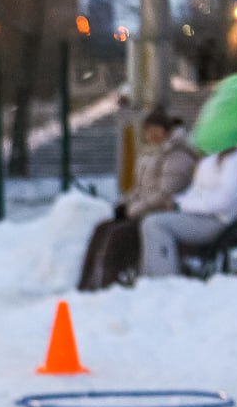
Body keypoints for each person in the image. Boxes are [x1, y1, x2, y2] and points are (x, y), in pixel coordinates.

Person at [78, 108, 197, 291]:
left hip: (158, 213)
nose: (151, 135)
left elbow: (165, 193)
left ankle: (106, 284)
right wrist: (125, 204)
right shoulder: (149, 153)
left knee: (115, 236)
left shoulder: (177, 156)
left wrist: (133, 210)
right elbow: (139, 189)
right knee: (102, 229)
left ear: (165, 130)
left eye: (155, 130)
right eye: (148, 130)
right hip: (142, 211)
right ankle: (87, 282)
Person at [140, 137, 237, 277]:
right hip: (204, 216)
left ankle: (165, 279)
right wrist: (177, 202)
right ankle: (149, 279)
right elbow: (197, 192)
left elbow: (224, 201)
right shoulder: (216, 156)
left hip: (223, 222)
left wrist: (182, 206)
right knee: (148, 221)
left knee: (156, 224)